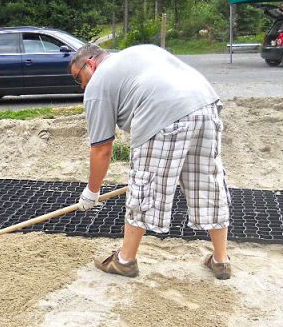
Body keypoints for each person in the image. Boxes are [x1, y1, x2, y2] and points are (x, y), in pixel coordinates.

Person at [70, 43, 231, 280]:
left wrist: (91, 192)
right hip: (205, 106)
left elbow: (102, 148)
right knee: (208, 183)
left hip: (163, 114)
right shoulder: (135, 55)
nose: (82, 85)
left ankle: (124, 261)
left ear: (90, 63)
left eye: (78, 77)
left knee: (142, 186)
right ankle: (221, 261)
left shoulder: (98, 82)